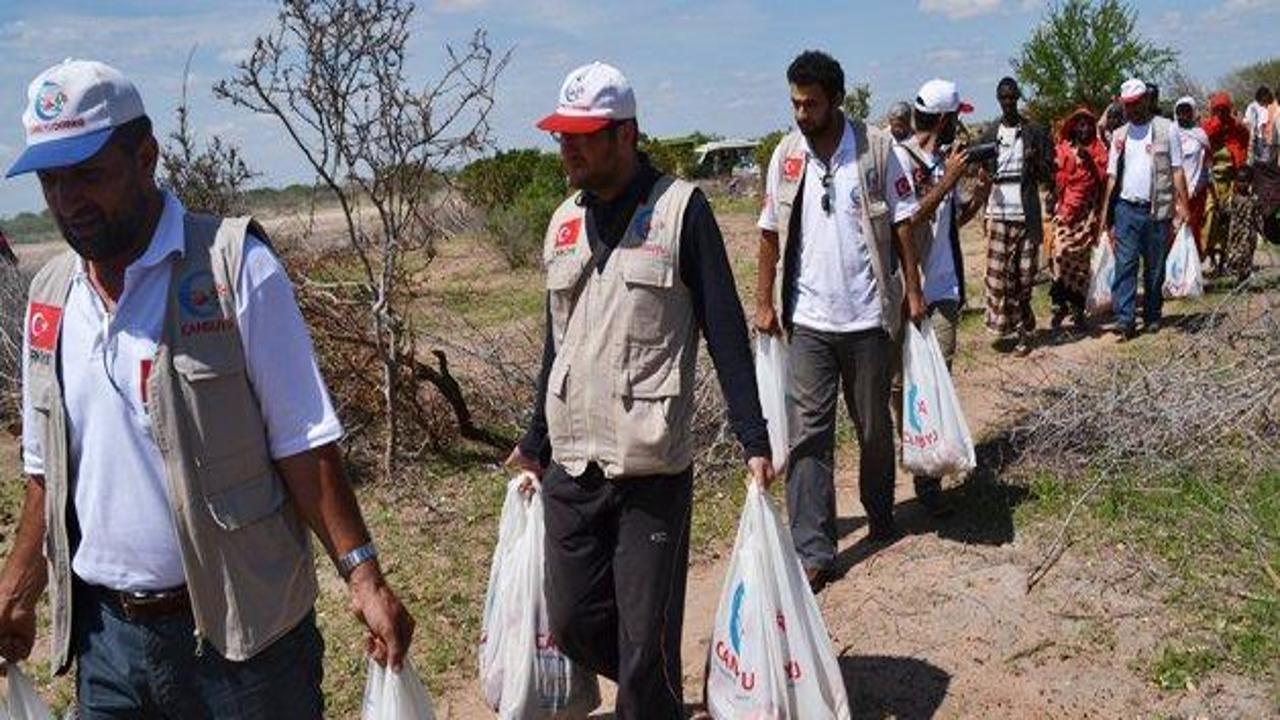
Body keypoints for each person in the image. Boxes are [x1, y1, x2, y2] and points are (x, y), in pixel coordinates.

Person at [0, 60, 414, 718]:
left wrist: (363, 575)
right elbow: (44, 468)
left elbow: (305, 442)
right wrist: (20, 579)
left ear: (145, 157)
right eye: (51, 180)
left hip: (241, 643)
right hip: (107, 645)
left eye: (89, 174)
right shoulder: (50, 297)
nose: (68, 199)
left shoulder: (231, 266)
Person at [505, 61, 773, 718]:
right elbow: (556, 340)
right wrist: (535, 440)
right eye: (561, 133)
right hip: (573, 464)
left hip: (649, 467)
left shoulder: (682, 211)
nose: (566, 146)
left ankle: (647, 697)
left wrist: (754, 436)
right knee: (568, 620)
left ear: (626, 134)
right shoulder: (563, 220)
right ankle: (648, 688)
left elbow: (725, 327)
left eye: (583, 134)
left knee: (643, 649)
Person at [754, 50, 924, 586]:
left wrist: (912, 291)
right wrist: (763, 302)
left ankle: (879, 510)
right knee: (808, 437)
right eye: (795, 103)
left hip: (869, 318)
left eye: (811, 104)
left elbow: (902, 223)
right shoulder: (786, 156)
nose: (801, 114)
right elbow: (768, 233)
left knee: (873, 427)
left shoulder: (875, 149)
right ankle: (815, 550)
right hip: (808, 321)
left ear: (836, 101)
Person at [891, 79, 991, 516]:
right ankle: (913, 447)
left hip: (944, 291)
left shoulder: (946, 162)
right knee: (901, 384)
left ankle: (928, 477)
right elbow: (907, 223)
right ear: (946, 119)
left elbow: (946, 225)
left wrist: (976, 196)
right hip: (905, 289)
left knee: (938, 377)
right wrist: (948, 180)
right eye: (958, 119)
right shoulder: (899, 160)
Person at [1097, 78, 1192, 340]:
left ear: (1147, 101)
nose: (1133, 110)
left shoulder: (1166, 129)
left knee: (1154, 267)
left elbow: (1176, 169)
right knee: (1125, 265)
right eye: (1128, 106)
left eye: (1137, 104)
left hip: (1157, 209)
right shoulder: (1119, 136)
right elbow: (1112, 177)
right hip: (1126, 210)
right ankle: (1125, 319)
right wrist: (1106, 214)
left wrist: (1184, 205)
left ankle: (1152, 314)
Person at [977, 77, 1055, 355]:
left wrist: (1036, 161)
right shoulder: (989, 135)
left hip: (1027, 214)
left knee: (1024, 276)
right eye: (1004, 97)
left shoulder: (1034, 132)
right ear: (999, 99)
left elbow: (1049, 173)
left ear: (1018, 98)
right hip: (998, 213)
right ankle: (1019, 330)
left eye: (1012, 97)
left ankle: (1025, 309)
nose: (1008, 101)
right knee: (1001, 278)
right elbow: (980, 171)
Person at [1050, 107, 1109, 329]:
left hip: (1087, 216)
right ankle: (1059, 302)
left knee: (1081, 263)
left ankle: (1077, 309)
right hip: (1065, 213)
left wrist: (1091, 162)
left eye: (1087, 124)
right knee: (1059, 251)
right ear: (1074, 127)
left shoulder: (1098, 150)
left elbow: (1104, 178)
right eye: (1080, 124)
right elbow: (1057, 178)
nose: (1083, 128)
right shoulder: (1063, 148)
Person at [1175, 97, 1212, 249]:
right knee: (1175, 230)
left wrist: (1204, 181)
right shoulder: (1171, 132)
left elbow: (1208, 158)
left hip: (1196, 192)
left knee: (1193, 228)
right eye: (1180, 112)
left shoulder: (1200, 134)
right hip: (1175, 192)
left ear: (1193, 113)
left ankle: (1192, 267)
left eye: (1187, 111)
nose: (1183, 115)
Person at [1223, 165, 1264, 282]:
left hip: (1248, 234)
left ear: (1250, 182)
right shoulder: (1232, 199)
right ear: (1235, 181)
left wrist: (1261, 231)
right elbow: (1226, 212)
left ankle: (1243, 279)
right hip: (1235, 233)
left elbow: (1257, 217)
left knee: (1246, 255)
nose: (1242, 184)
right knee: (1234, 255)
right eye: (1239, 181)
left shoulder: (1253, 200)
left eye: (1245, 181)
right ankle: (1237, 276)